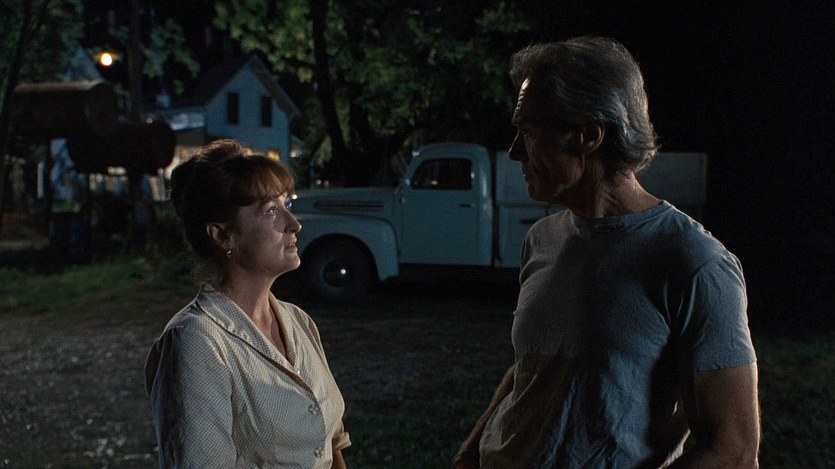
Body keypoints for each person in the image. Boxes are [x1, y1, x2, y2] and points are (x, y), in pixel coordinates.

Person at [453, 37, 759, 468]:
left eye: (530, 132)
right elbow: (536, 368)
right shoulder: (543, 240)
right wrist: (468, 455)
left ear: (589, 137)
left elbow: (733, 451)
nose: (514, 151)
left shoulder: (693, 262)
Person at [144, 139, 350, 468]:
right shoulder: (197, 342)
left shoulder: (299, 322)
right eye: (271, 211)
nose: (294, 224)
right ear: (222, 234)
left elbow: (332, 444)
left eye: (286, 204)